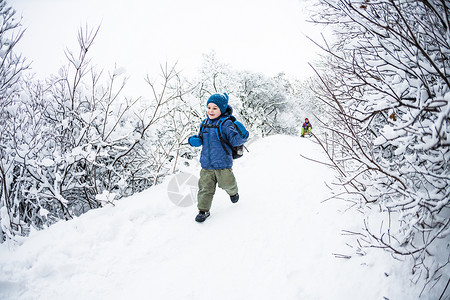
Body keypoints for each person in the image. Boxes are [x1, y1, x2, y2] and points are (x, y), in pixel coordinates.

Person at [188, 93, 249, 222]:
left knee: (228, 184)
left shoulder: (226, 123)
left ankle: (233, 192)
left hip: (222, 164)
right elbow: (201, 137)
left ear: (221, 109)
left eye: (215, 108)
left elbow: (234, 140)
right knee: (205, 189)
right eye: (209, 107)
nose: (211, 111)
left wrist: (242, 135)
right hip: (206, 164)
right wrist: (195, 140)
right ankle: (203, 210)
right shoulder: (204, 123)